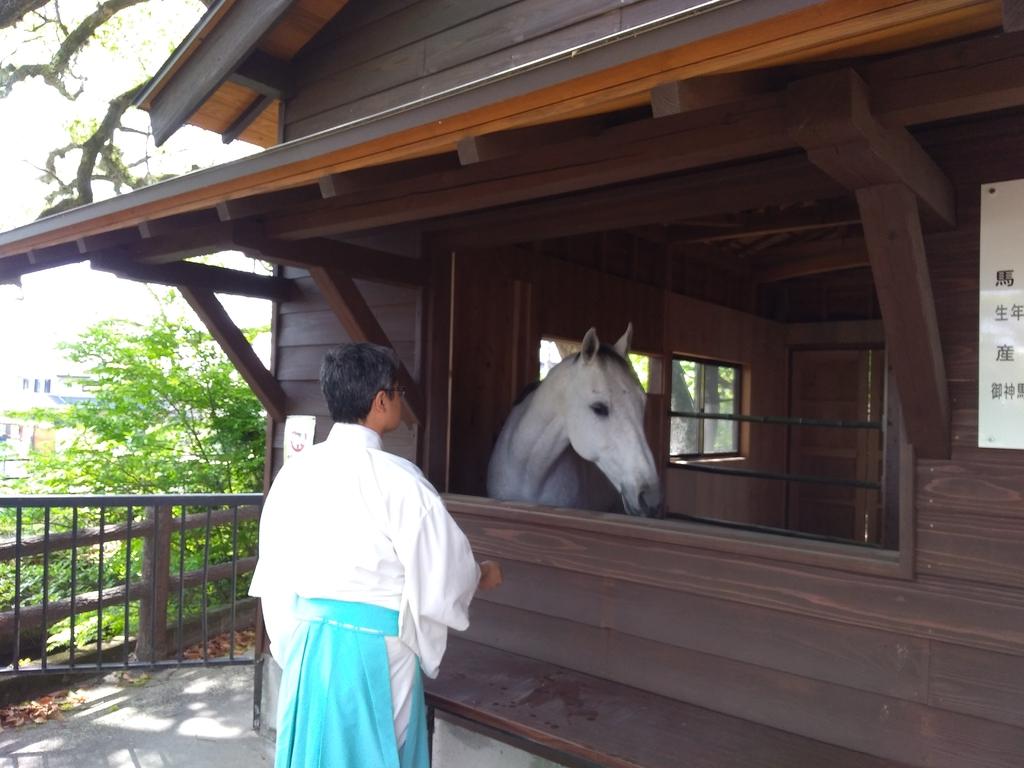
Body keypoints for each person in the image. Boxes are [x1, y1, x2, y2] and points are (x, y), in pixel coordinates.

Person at [249, 342, 502, 768]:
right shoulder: (400, 480)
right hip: (379, 650)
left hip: (310, 641)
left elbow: (274, 569)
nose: (400, 398)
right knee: (381, 753)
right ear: (381, 400)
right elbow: (445, 571)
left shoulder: (295, 472)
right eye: (398, 390)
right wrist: (481, 574)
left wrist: (290, 643)